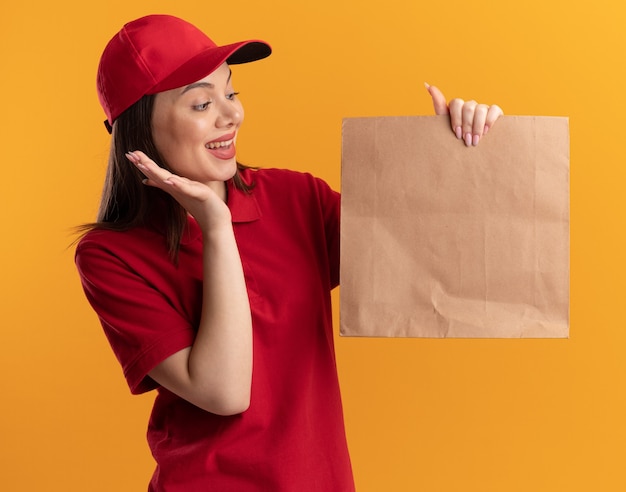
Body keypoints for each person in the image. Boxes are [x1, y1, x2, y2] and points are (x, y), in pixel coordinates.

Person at [75, 14, 503, 492]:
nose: (232, 115)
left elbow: (437, 258)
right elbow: (224, 391)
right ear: (139, 130)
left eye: (231, 94)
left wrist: (463, 152)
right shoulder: (110, 256)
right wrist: (217, 227)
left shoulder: (297, 199)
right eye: (201, 103)